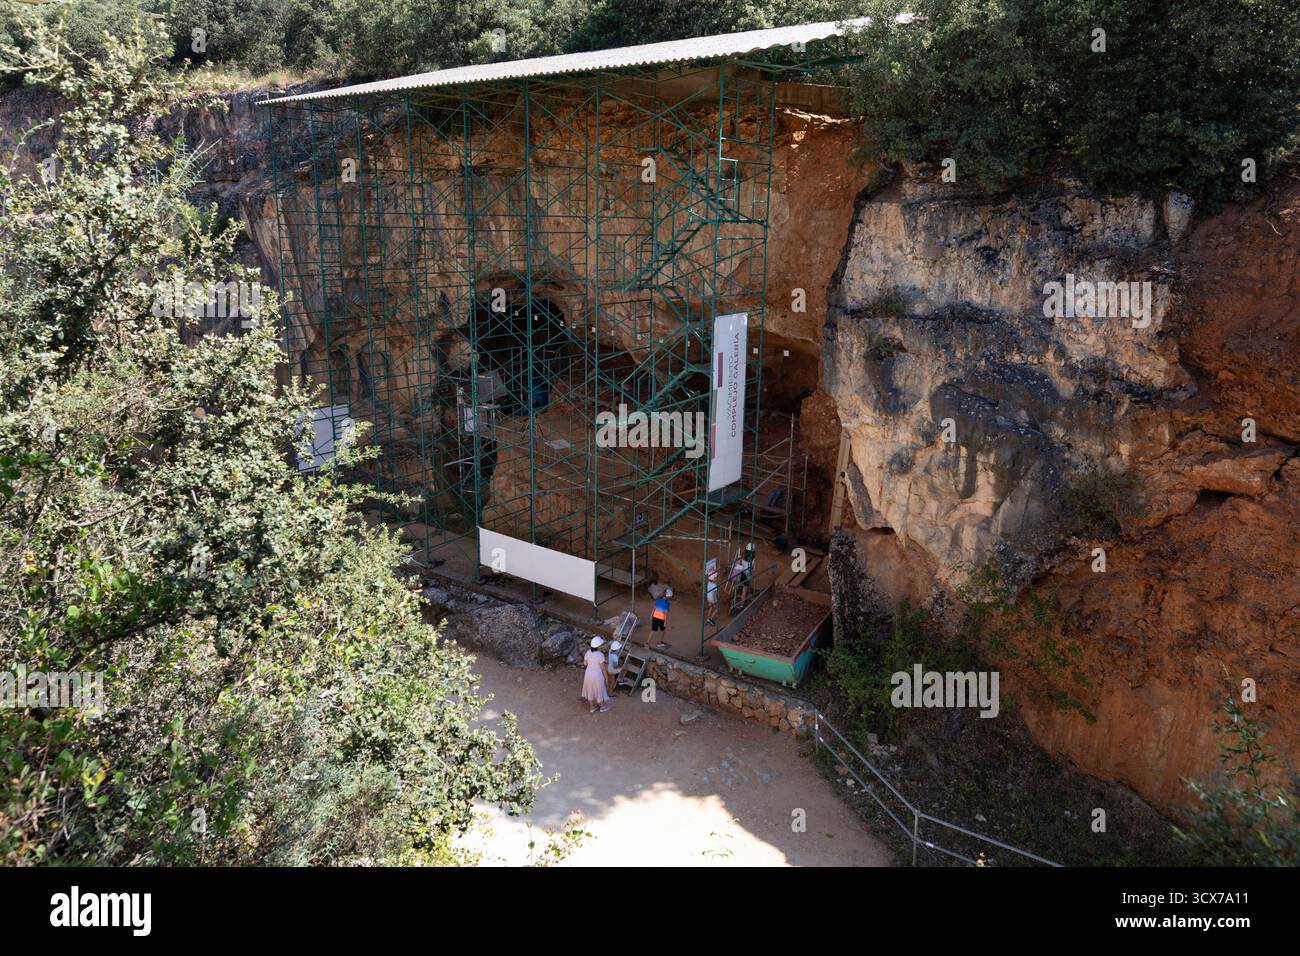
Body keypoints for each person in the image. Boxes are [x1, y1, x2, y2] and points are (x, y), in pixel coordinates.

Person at [582, 637, 611, 713]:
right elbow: (603, 668)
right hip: (597, 675)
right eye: (601, 645)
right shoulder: (600, 655)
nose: (601, 646)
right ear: (598, 646)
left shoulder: (587, 652)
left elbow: (585, 663)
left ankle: (592, 708)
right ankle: (602, 707)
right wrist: (606, 678)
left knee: (590, 690)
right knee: (599, 690)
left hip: (588, 674)